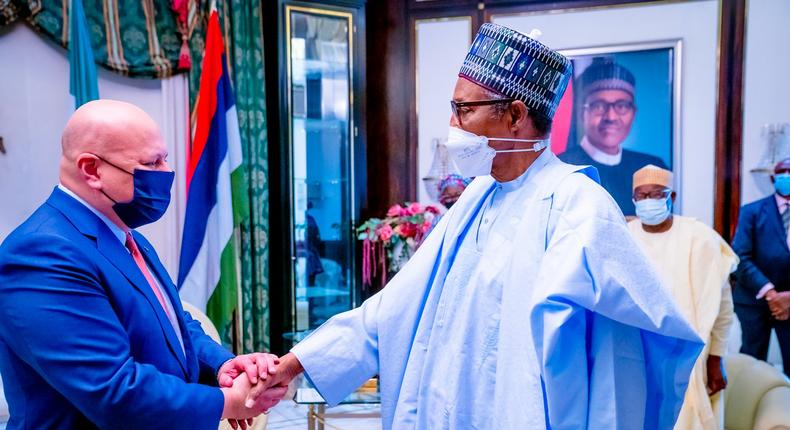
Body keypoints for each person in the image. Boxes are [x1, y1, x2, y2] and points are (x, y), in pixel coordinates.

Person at [252, 24, 702, 429]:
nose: (453, 124)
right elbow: (397, 305)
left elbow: (613, 366)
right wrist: (295, 363)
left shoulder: (578, 208)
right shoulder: (476, 196)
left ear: (515, 115)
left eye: (463, 109)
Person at [0, 100, 287, 429]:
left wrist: (223, 365)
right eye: (151, 163)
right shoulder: (41, 253)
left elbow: (175, 326)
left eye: (164, 158)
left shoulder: (125, 234)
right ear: (92, 170)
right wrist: (228, 402)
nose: (166, 174)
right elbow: (113, 391)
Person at [627, 165, 737, 429]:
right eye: (641, 197)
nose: (647, 202)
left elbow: (722, 307)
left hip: (690, 357)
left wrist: (715, 359)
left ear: (672, 197)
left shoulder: (700, 238)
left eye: (655, 194)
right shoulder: (625, 239)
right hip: (637, 356)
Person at [560, 57, 669, 216]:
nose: (611, 117)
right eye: (598, 105)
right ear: (581, 112)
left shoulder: (651, 166)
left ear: (633, 113)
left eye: (622, 106)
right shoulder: (563, 167)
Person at [732, 157, 790, 376]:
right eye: (783, 172)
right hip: (753, 301)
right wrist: (771, 293)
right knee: (752, 364)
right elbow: (740, 257)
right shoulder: (752, 211)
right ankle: (747, 408)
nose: (788, 176)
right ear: (774, 178)